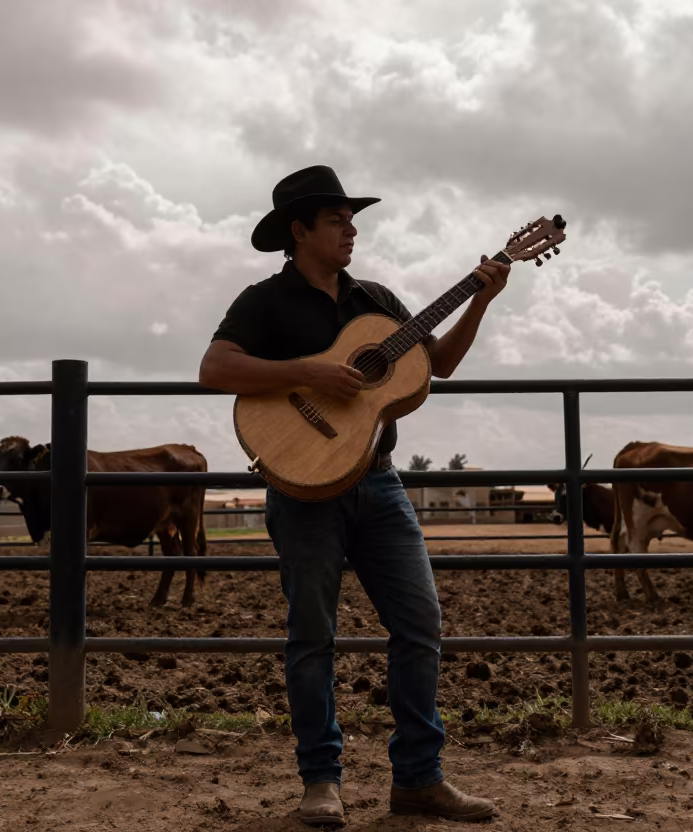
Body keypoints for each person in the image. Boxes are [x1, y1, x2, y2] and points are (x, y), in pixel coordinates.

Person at [199, 165, 511, 826]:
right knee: (313, 635)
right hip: (301, 485)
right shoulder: (264, 301)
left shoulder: (377, 301)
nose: (352, 229)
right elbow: (215, 368)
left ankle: (419, 779)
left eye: (351, 219)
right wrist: (308, 371)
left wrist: (481, 298)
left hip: (380, 483)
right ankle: (321, 781)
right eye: (338, 220)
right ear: (300, 230)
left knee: (420, 623)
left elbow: (440, 363)